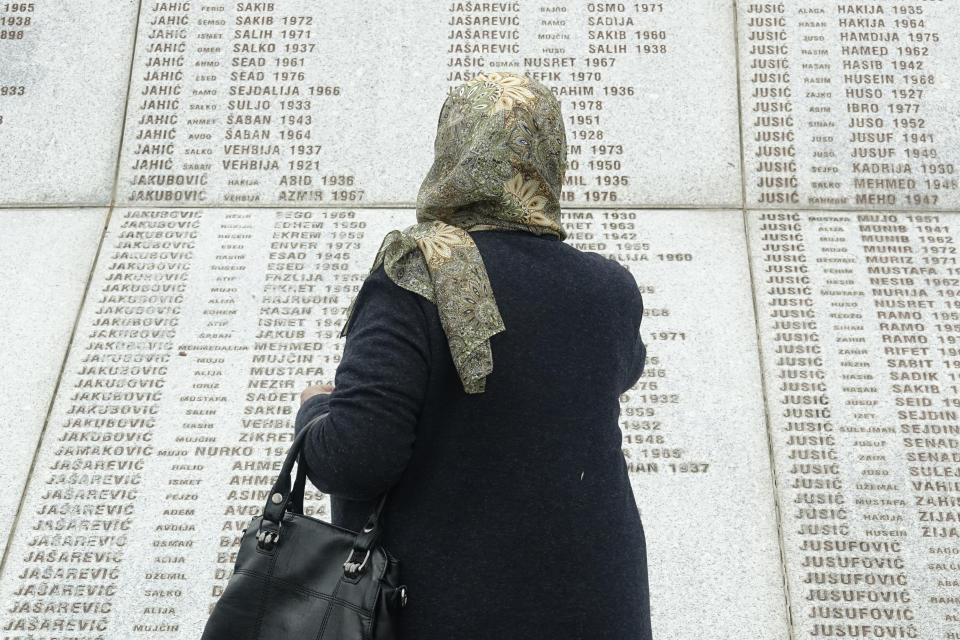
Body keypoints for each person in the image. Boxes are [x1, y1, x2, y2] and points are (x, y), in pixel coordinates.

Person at [294, 71, 651, 639]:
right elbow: (616, 369)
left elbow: (356, 458)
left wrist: (314, 413)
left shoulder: (414, 276)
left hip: (446, 611)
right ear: (549, 157)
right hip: (597, 608)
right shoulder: (609, 290)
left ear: (453, 150)